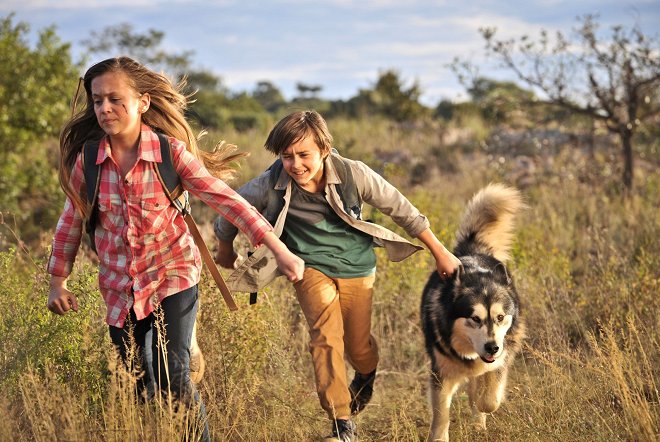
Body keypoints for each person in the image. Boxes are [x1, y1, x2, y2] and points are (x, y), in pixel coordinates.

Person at [46, 56, 304, 442]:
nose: (105, 109)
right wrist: (57, 281)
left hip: (173, 274)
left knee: (173, 375)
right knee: (136, 379)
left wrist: (278, 249)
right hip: (119, 285)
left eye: (116, 99)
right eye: (98, 101)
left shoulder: (169, 154)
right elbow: (71, 219)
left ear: (143, 103)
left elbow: (227, 201)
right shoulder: (90, 161)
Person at [213, 110, 461, 441]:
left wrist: (440, 252)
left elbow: (401, 209)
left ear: (324, 150)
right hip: (308, 266)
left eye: (304, 155)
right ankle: (341, 423)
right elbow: (231, 209)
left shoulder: (352, 174)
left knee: (358, 347)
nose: (295, 164)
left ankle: (366, 372)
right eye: (287, 156)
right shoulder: (268, 184)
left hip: (357, 266)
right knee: (325, 336)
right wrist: (225, 249)